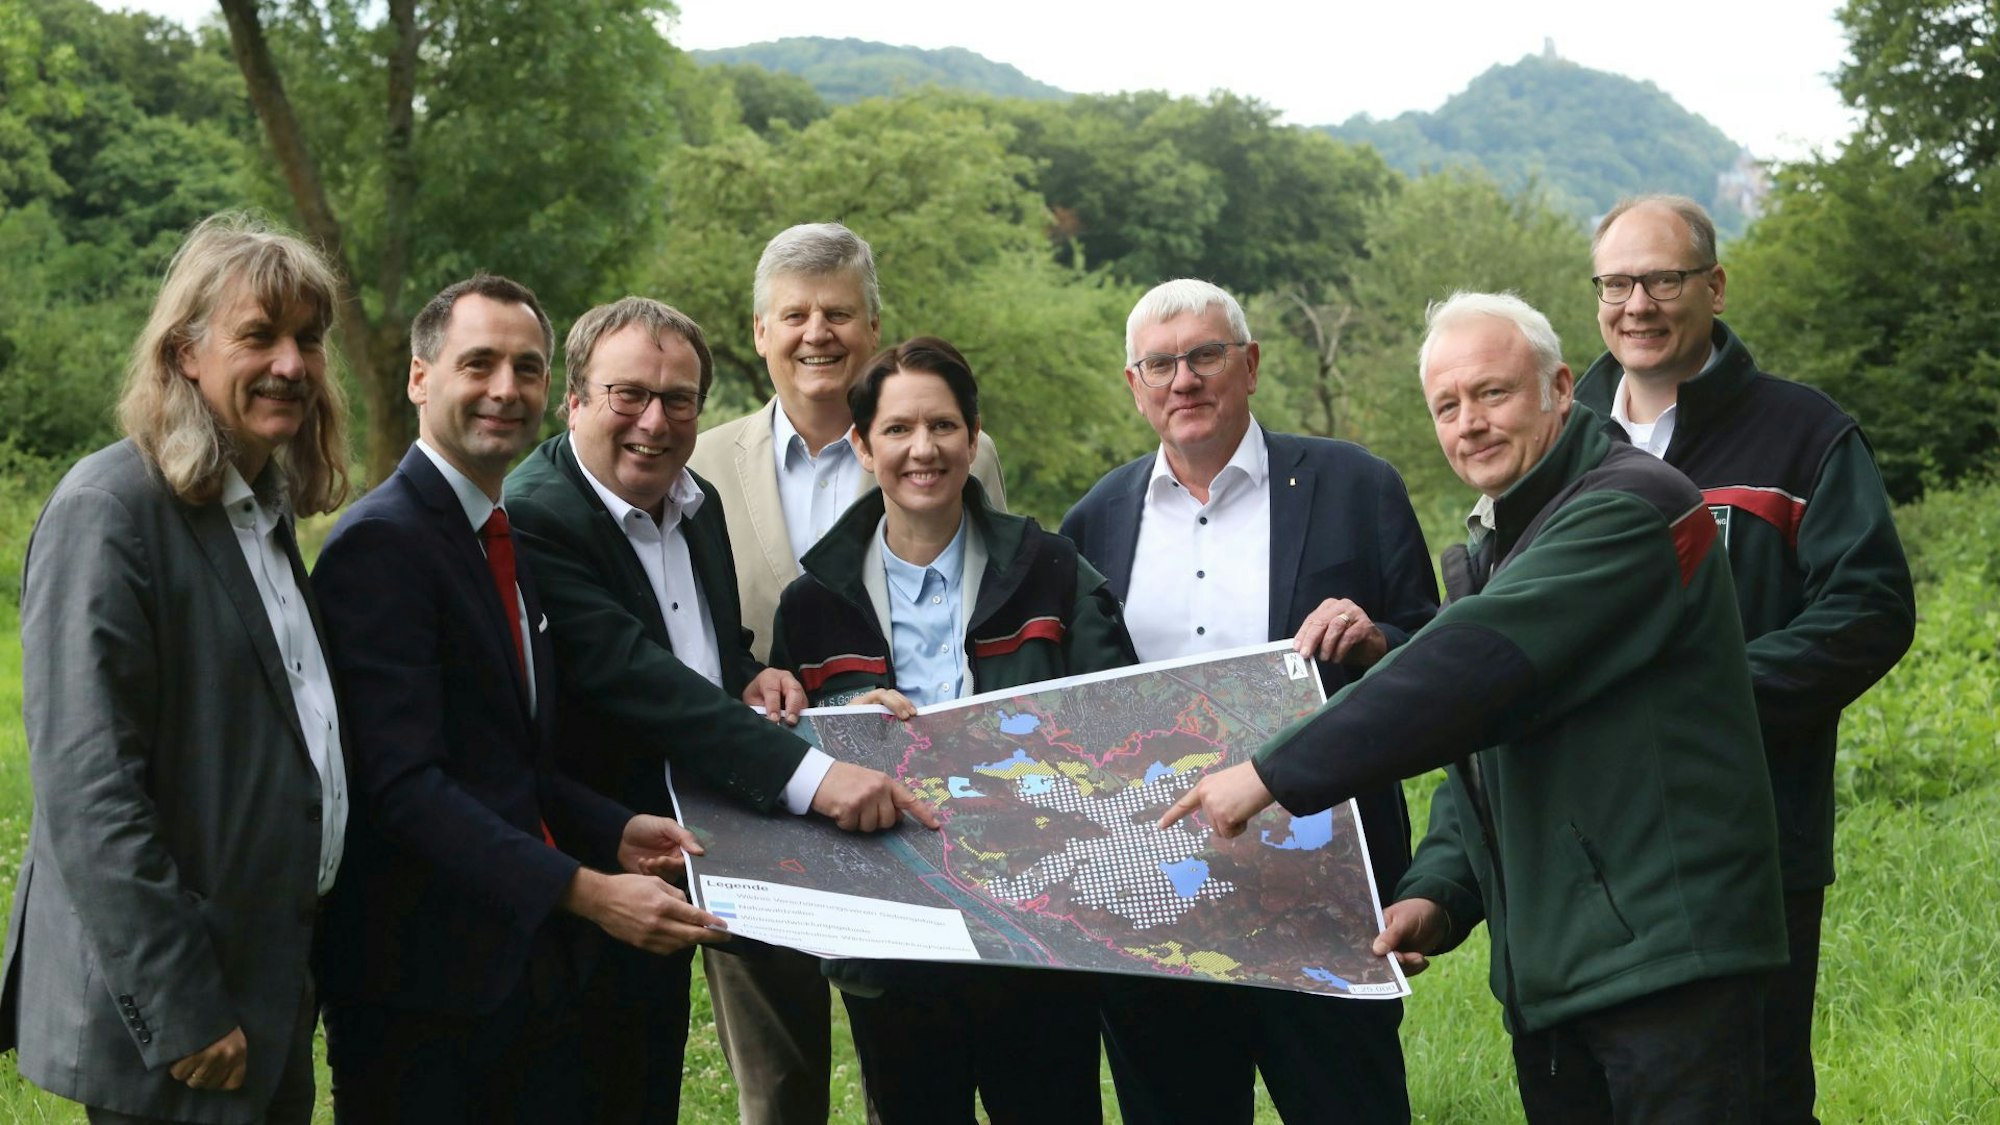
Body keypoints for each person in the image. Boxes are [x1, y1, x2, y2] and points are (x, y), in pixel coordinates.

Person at [1166, 292, 1789, 1122]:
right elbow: (1490, 740)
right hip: (1565, 971)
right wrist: (1441, 890)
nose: (1471, 423)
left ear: (1560, 388)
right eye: (1448, 406)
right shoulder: (1508, 537)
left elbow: (1467, 669)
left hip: (1665, 965)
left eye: (1493, 393)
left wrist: (1271, 771)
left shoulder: (1630, 508)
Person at [502, 296, 939, 1123]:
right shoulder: (540, 514)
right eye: (627, 394)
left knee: (648, 1086)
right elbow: (639, 678)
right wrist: (817, 777)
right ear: (575, 400)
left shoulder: (691, 499)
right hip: (593, 860)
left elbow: (701, 646)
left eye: (678, 400)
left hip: (689, 849)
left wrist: (751, 674)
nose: (654, 421)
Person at [311, 276, 727, 1124]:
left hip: (517, 972)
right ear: (420, 377)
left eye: (526, 367)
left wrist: (610, 825)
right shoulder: (381, 544)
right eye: (480, 363)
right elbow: (403, 788)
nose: (505, 388)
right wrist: (588, 887)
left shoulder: (501, 534)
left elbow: (503, 754)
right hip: (421, 987)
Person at [0, 213, 350, 1124]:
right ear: (186, 353)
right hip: (188, 1025)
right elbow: (88, 789)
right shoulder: (109, 508)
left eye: (307, 340)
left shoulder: (258, 509)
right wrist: (183, 1008)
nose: (290, 364)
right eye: (258, 336)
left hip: (266, 987)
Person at [1061, 278, 1437, 1124]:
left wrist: (1375, 635)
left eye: (1204, 355)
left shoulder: (1355, 485)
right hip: (1158, 893)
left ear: (1251, 364)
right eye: (1160, 364)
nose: (1183, 379)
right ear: (1134, 384)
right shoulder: (1092, 523)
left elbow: (1439, 657)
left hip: (1324, 888)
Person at [1575, 194, 1915, 1124]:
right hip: (1585, 850)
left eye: (1662, 279)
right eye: (1616, 282)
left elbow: (1870, 608)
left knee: (1749, 1094)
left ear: (1714, 287)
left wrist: (1704, 706)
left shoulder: (1803, 433)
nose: (1636, 303)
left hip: (1749, 842)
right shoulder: (1559, 439)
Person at [684, 221, 1005, 1123]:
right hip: (751, 799)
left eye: (838, 312)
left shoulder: (956, 454)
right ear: (759, 331)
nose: (816, 333)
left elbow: (982, 616)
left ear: (872, 327)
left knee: (908, 1068)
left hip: (903, 806)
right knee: (777, 1084)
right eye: (795, 314)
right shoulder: (699, 462)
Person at [769, 336, 1134, 1124]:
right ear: (863, 445)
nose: (923, 449)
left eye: (942, 426)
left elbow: (1117, 731)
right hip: (893, 943)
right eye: (898, 430)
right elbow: (782, 764)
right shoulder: (811, 604)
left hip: (1039, 937)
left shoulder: (1054, 570)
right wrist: (840, 730)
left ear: (973, 436)